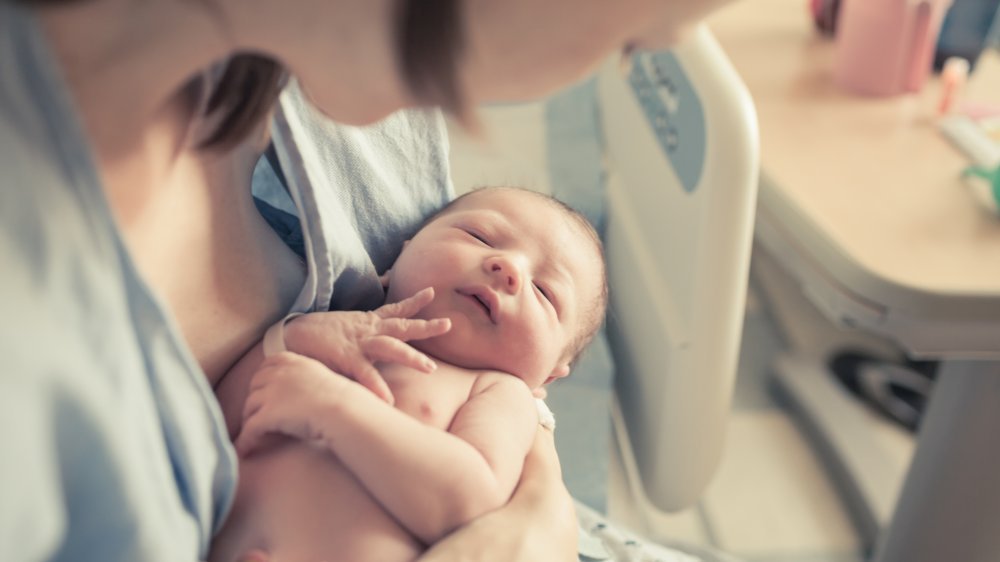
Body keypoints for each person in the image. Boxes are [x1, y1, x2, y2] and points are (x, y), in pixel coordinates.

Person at [0, 0, 736, 560]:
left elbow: (499, 466)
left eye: (546, 293)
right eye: (634, 39)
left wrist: (540, 514)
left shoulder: (342, 66)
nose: (507, 268)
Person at [208, 186, 608, 562]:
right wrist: (291, 339)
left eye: (545, 293)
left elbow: (467, 502)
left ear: (548, 378)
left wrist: (332, 408)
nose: (509, 269)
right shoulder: (334, 325)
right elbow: (221, 412)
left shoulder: (498, 392)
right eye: (480, 236)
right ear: (402, 251)